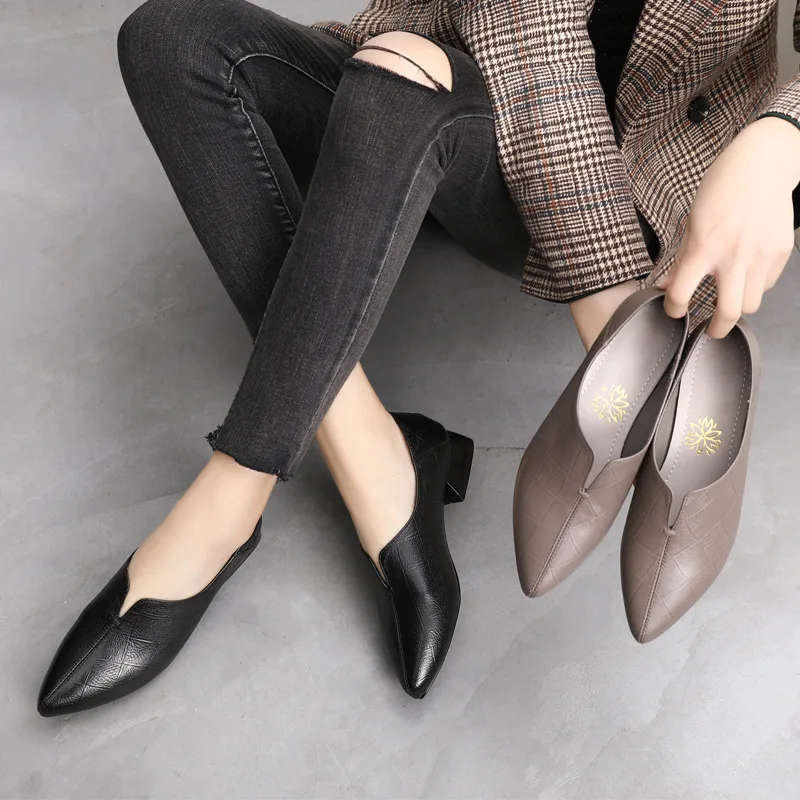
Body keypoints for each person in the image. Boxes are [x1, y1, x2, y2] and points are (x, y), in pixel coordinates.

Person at [36, 0, 800, 716]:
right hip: (450, 88)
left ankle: (235, 502)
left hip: (654, 173)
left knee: (401, 90)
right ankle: (361, 464)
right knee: (173, 42)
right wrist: (615, 310)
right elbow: (524, 30)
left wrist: (782, 136)